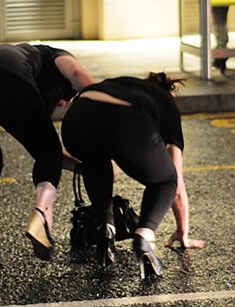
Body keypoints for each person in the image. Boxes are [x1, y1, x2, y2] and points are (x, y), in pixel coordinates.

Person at [0, 43, 94, 268]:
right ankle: (42, 215)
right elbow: (77, 72)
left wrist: (82, 166)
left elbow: (43, 150)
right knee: (48, 151)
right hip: (5, 77)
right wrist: (100, 101)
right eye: (64, 98)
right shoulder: (53, 54)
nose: (62, 103)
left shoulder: (28, 64)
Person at [61, 72, 204, 278]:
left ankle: (105, 226)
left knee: (95, 161)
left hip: (76, 118)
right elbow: (177, 186)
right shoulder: (167, 107)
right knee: (166, 180)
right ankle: (144, 235)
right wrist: (183, 233)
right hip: (126, 121)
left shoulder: (122, 83)